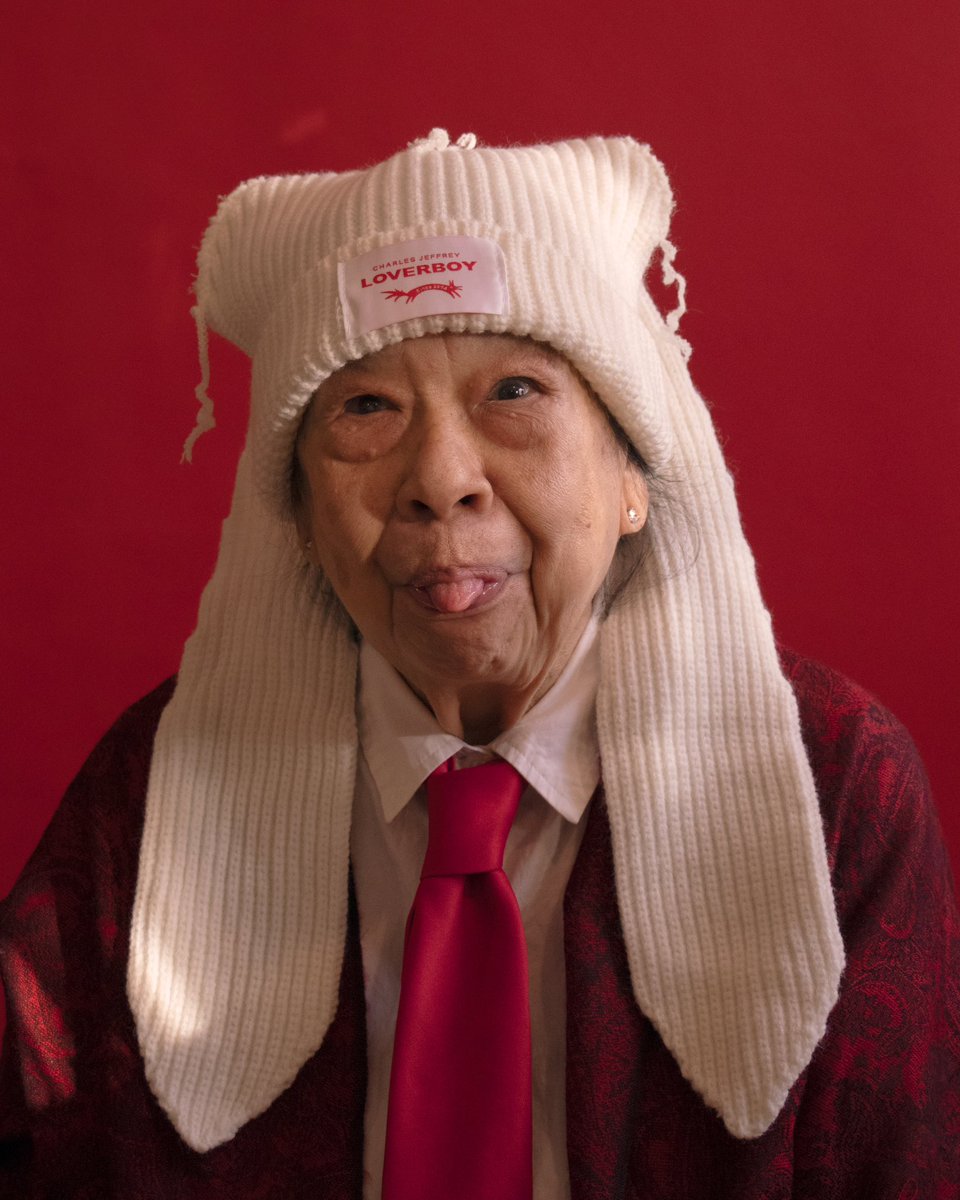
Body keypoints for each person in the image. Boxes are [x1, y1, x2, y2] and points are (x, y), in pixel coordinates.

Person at [1, 128, 957, 1200]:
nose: (442, 481)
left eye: (514, 393)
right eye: (368, 409)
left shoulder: (834, 785)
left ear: (635, 475)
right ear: (301, 519)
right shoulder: (146, 804)